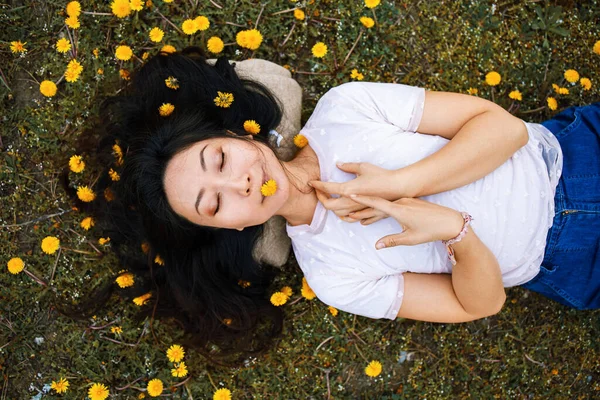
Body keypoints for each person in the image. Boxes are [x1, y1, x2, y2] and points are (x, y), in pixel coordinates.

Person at [59, 46, 599, 363]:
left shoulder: (344, 110)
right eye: (213, 204)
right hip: (574, 262)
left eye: (220, 160)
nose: (239, 185)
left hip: (574, 158)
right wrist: (453, 231)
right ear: (225, 230)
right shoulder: (333, 273)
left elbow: (504, 130)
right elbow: (477, 305)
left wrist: (400, 183)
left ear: (237, 134)